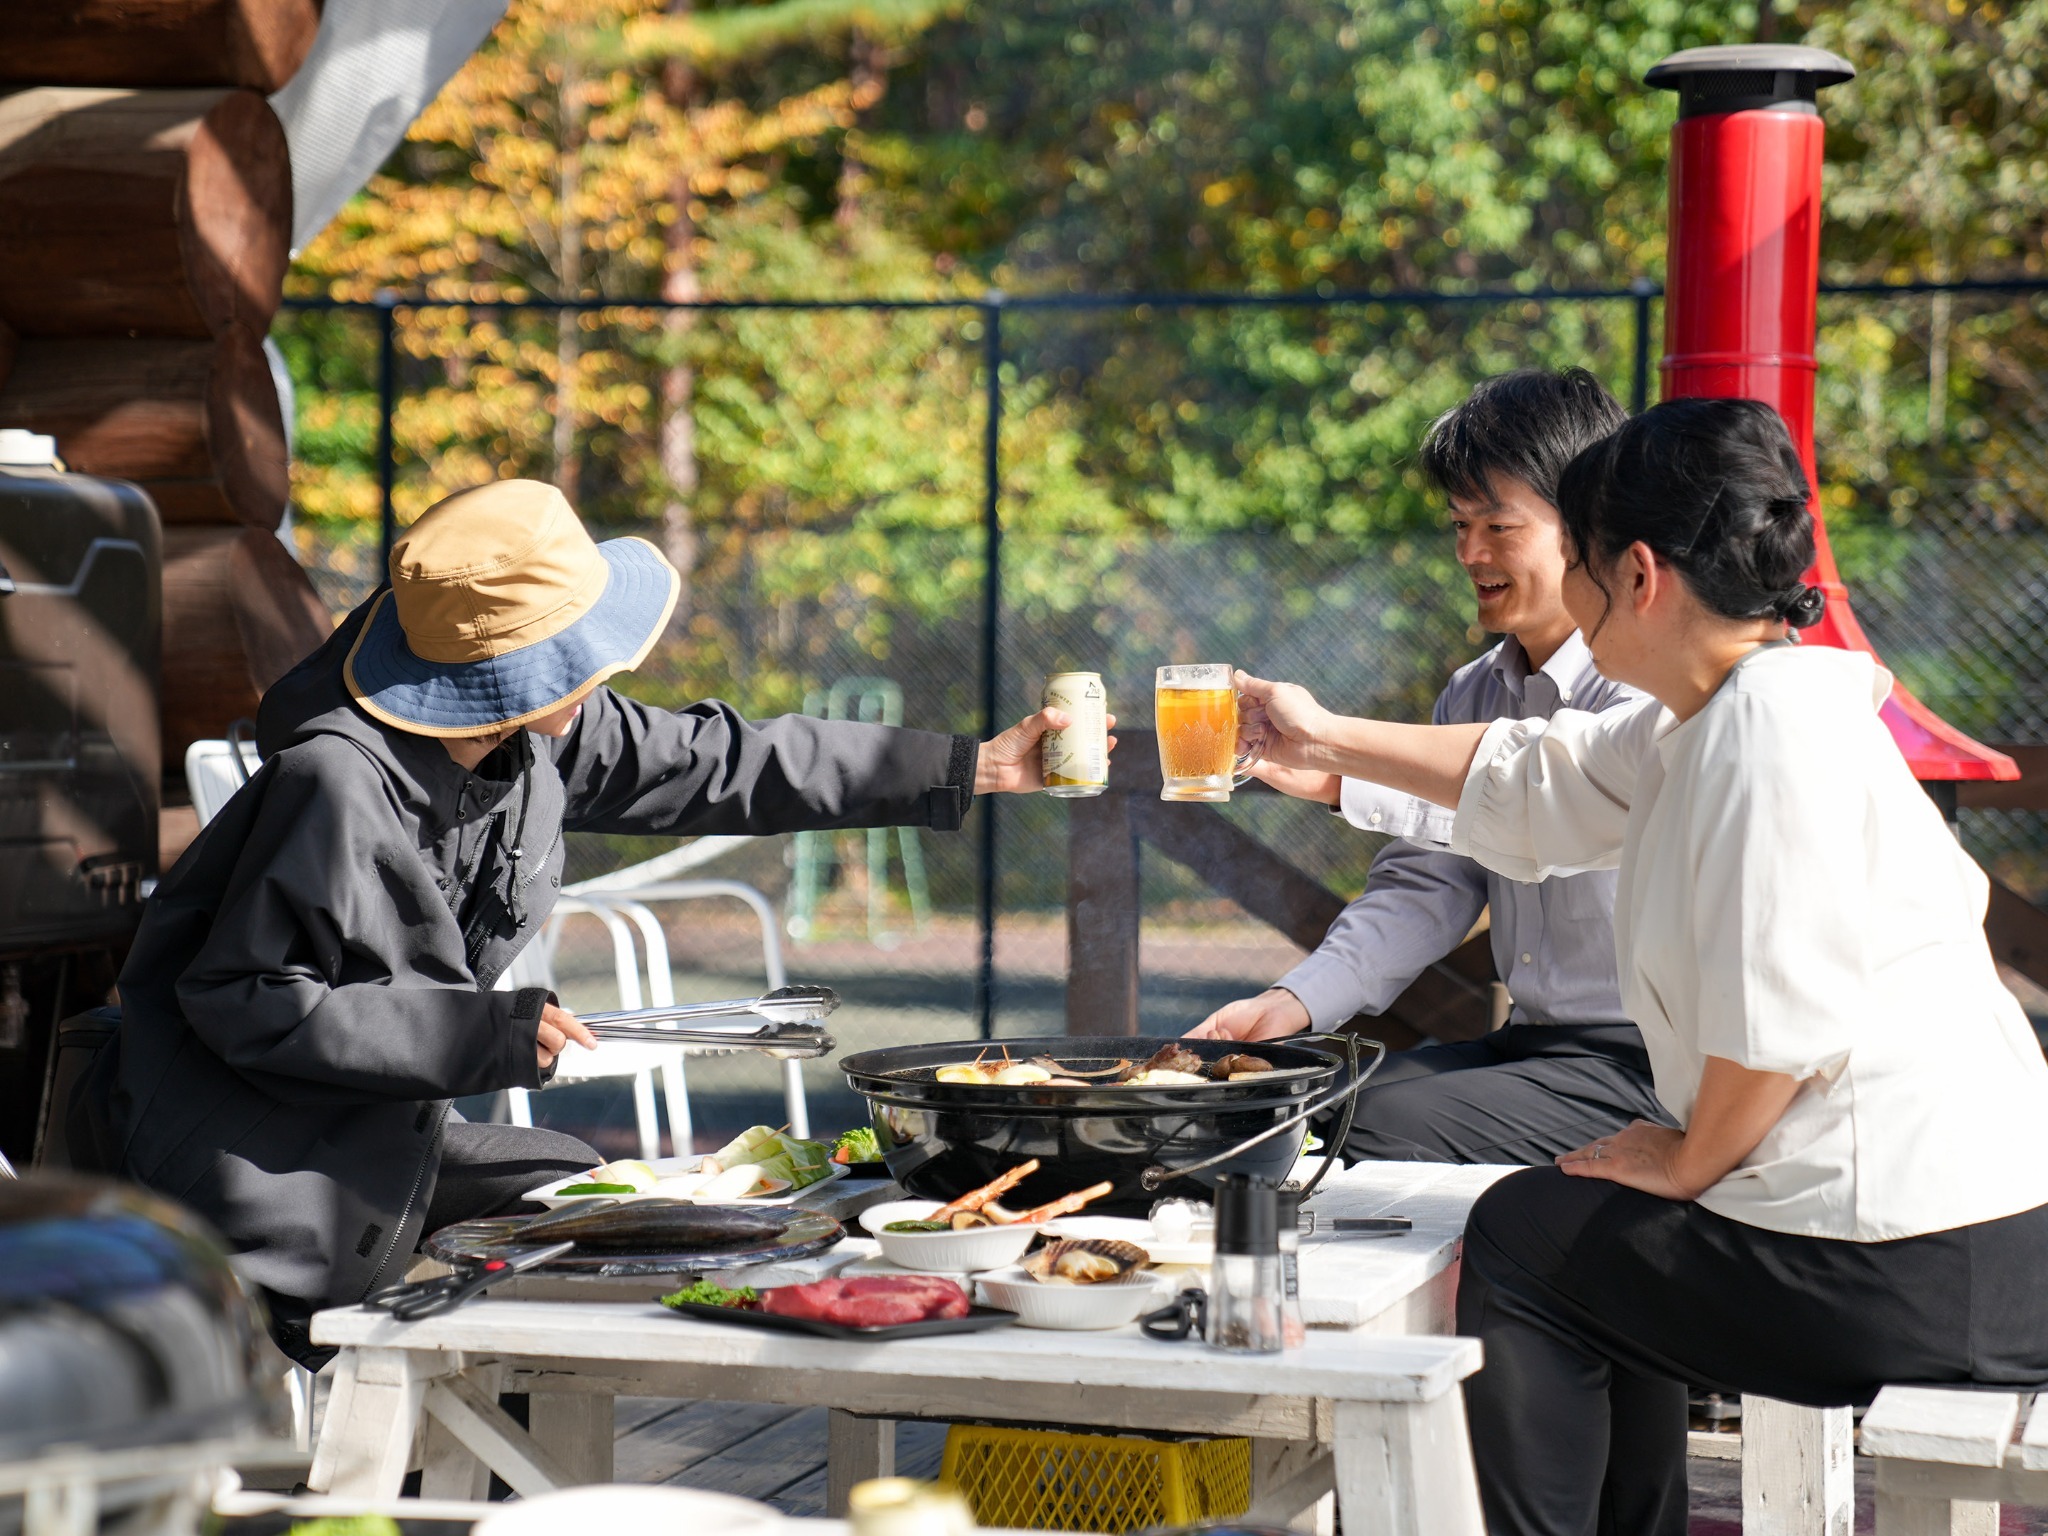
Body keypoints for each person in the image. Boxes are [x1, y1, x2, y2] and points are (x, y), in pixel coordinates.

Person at [1237, 398, 2048, 1536]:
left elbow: (1780, 1020)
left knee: (1529, 1237)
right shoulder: (1718, 708)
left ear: (1637, 574)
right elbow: (1535, 777)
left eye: (1576, 557)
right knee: (1563, 1228)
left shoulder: (1764, 741)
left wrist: (1685, 1159)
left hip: (1918, 1260)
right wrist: (1318, 740)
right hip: (1932, 1229)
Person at [82, 479, 1091, 1366]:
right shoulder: (332, 786)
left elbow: (719, 761)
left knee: (604, 1193)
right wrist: (480, 1033)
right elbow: (246, 1002)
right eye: (584, 646)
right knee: (582, 1251)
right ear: (515, 674)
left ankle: (500, 1461)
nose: (607, 666)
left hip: (386, 1135)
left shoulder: (532, 739)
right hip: (269, 1169)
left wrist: (970, 767)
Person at [1188, 367, 1672, 1167]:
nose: (1468, 553)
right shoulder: (1475, 689)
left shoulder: (1653, 690)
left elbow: (1542, 796)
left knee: (1358, 1125)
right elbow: (1427, 884)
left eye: (1497, 527)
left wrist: (1336, 758)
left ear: (1590, 523)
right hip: (1535, 1045)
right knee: (1292, 1099)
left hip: (1652, 1065)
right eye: (1457, 525)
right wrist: (1295, 1001)